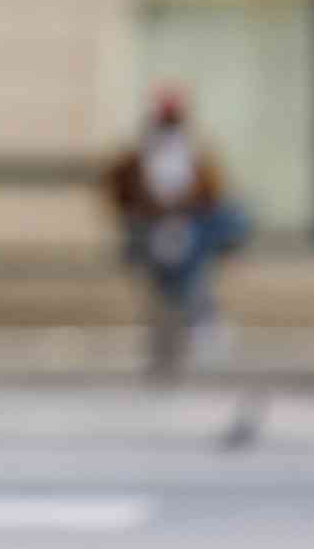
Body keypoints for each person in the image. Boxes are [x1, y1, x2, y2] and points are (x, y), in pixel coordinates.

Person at [102, 83, 249, 370]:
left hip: (188, 227)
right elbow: (122, 191)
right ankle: (175, 336)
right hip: (151, 227)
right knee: (164, 289)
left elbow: (210, 191)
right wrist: (152, 209)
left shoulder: (195, 154)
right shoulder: (137, 157)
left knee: (192, 281)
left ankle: (200, 325)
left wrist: (185, 206)